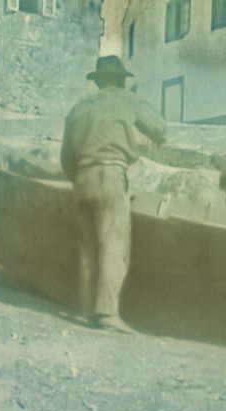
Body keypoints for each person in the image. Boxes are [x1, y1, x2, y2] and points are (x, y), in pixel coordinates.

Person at [61, 55, 166, 332]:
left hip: (81, 177)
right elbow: (159, 127)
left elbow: (65, 157)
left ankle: (86, 311)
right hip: (110, 175)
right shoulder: (127, 100)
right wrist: (157, 138)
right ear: (121, 81)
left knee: (87, 248)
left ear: (97, 81)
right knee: (113, 246)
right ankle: (107, 313)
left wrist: (80, 176)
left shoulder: (78, 108)